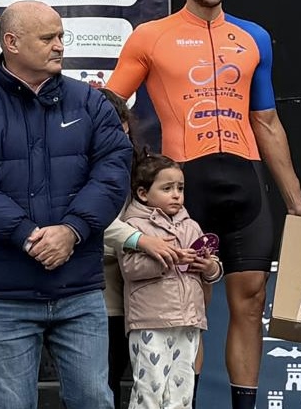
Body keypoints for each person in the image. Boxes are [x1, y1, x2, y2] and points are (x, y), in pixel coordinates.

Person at [106, 0, 301, 409]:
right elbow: (109, 108)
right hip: (186, 188)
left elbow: (267, 122)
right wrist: (135, 171)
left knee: (251, 300)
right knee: (191, 308)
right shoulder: (151, 37)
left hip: (246, 185)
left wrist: (296, 202)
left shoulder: (254, 37)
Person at [0, 0, 132, 409]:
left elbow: (113, 175)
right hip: (3, 294)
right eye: (47, 38)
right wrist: (27, 236)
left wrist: (72, 231)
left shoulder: (92, 104)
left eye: (61, 36)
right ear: (12, 42)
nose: (59, 45)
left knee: (95, 400)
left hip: (78, 290)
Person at [99, 88, 185, 409]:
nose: (120, 142)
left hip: (141, 302)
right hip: (100, 293)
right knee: (100, 382)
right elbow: (90, 219)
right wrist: (139, 240)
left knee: (145, 381)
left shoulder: (138, 168)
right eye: (111, 133)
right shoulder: (74, 164)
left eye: (124, 133)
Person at [120, 152, 223, 409]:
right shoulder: (133, 226)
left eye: (180, 188)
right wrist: (169, 259)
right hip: (150, 321)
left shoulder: (191, 225)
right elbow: (130, 268)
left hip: (188, 320)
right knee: (149, 390)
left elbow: (211, 268)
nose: (176, 195)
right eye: (167, 188)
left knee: (182, 393)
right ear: (143, 193)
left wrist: (210, 267)